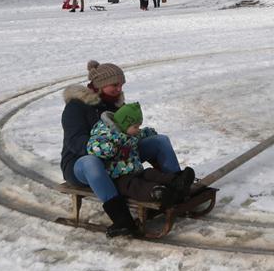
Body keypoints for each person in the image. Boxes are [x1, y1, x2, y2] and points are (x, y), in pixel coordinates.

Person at [61, 60, 188, 237]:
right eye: (115, 84)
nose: (119, 89)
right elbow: (75, 142)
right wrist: (108, 148)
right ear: (100, 84)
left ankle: (178, 186)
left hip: (119, 159)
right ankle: (122, 219)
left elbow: (127, 133)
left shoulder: (115, 105)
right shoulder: (76, 106)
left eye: (121, 84)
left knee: (160, 141)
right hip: (80, 164)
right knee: (92, 162)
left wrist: (136, 135)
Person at [87, 102, 195, 208]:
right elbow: (93, 147)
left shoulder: (129, 133)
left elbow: (140, 134)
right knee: (136, 186)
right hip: (119, 178)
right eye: (136, 127)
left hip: (136, 170)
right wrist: (113, 147)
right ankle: (157, 193)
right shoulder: (106, 134)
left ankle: (177, 181)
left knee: (151, 173)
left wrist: (148, 132)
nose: (138, 129)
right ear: (125, 124)